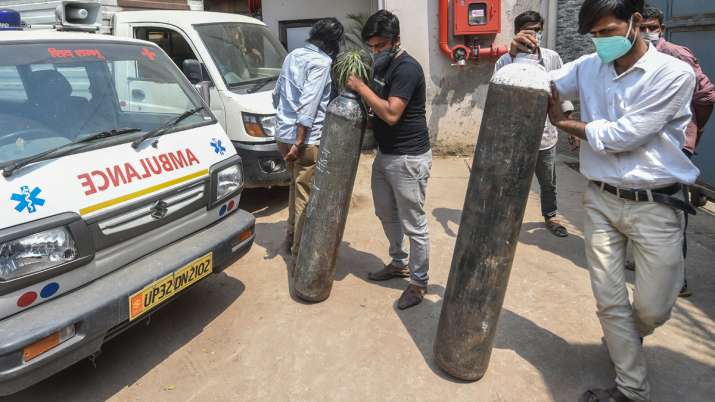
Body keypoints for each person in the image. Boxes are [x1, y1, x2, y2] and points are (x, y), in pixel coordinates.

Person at [512, 0, 699, 400]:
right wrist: (520, 59)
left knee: (653, 308)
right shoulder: (588, 66)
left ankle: (624, 339)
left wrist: (564, 122)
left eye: (608, 32)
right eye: (594, 35)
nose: (600, 43)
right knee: (609, 299)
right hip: (600, 200)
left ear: (635, 22)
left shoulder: (674, 73)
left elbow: (623, 136)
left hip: (657, 206)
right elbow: (547, 82)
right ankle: (631, 388)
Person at [623, 4, 715, 297]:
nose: (649, 32)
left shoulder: (677, 54)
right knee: (639, 203)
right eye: (644, 27)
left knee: (671, 211)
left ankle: (678, 279)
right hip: (642, 143)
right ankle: (644, 262)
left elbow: (706, 95)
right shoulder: (633, 56)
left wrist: (693, 132)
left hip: (672, 145)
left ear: (661, 28)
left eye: (653, 27)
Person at [345, 10, 432, 310]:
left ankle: (419, 283)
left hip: (408, 157)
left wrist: (361, 88)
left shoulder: (407, 69)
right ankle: (399, 263)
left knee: (414, 222)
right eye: (371, 46)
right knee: (385, 212)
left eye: (380, 46)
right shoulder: (382, 67)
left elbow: (392, 113)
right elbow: (377, 112)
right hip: (386, 155)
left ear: (396, 41)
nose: (375, 51)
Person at [495, 10, 575, 238]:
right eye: (528, 31)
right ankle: (508, 218)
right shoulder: (504, 60)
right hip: (515, 138)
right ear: (517, 33)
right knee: (512, 181)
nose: (534, 35)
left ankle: (551, 215)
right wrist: (512, 55)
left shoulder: (552, 58)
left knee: (548, 181)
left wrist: (569, 126)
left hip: (545, 135)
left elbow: (562, 94)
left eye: (537, 31)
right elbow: (498, 94)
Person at [272, 18, 344, 264]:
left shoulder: (292, 55)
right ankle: (299, 253)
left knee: (295, 186)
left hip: (282, 134)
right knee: (305, 194)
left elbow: (277, 93)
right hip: (304, 140)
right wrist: (299, 141)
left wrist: (286, 131)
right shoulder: (322, 62)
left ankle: (290, 237)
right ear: (333, 43)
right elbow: (309, 105)